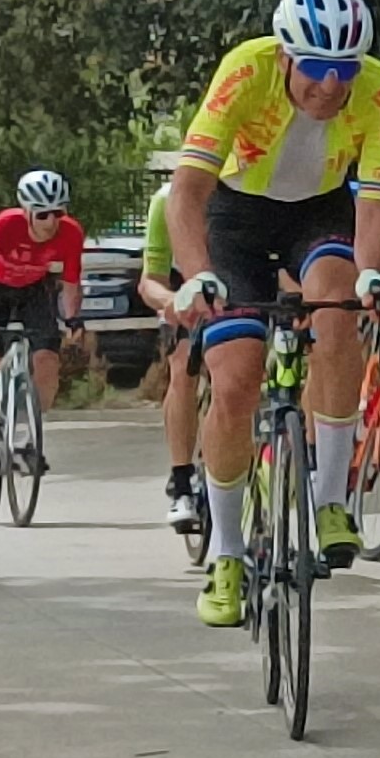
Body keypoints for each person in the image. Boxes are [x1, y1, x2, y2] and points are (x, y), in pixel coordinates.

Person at [168, 0, 380, 628]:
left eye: (344, 71)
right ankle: (225, 553)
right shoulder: (244, 71)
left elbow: (377, 198)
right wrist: (196, 276)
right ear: (284, 58)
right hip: (235, 217)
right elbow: (187, 190)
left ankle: (331, 500)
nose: (330, 87)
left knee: (337, 304)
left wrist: (372, 276)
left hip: (319, 213)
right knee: (237, 378)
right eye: (316, 69)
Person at [0, 169, 87, 474]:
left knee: (48, 362)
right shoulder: (5, 225)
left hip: (34, 290)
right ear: (27, 211)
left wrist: (72, 317)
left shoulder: (71, 233)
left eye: (58, 212)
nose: (51, 222)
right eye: (42, 215)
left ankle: (29, 439)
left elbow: (70, 282)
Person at [141, 175, 207, 539]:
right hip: (185, 293)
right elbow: (150, 281)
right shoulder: (166, 201)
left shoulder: (253, 189)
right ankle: (182, 480)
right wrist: (170, 302)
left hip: (239, 283)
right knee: (183, 365)